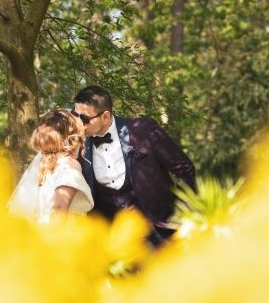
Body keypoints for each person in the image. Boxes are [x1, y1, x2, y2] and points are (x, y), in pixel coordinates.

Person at [73, 86, 196, 246]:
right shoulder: (77, 145)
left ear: (105, 116)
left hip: (158, 233)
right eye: (75, 115)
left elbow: (184, 168)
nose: (78, 123)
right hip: (111, 241)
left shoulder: (143, 130)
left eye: (84, 118)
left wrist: (182, 214)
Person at [8, 109, 94, 223]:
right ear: (72, 139)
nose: (82, 144)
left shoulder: (43, 163)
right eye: (81, 138)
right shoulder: (69, 165)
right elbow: (59, 209)